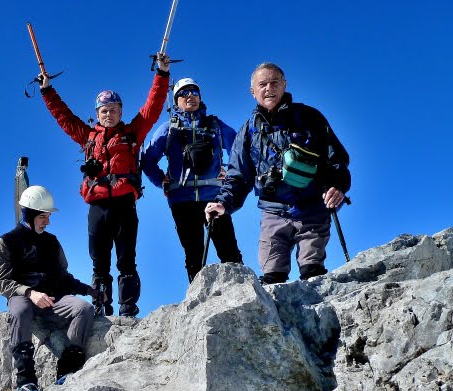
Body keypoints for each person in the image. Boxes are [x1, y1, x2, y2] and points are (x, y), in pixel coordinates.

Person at [38, 52, 171, 317]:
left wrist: (162, 74)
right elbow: (63, 117)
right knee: (99, 262)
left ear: (121, 111)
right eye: (103, 111)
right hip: (97, 205)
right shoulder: (86, 136)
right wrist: (47, 91)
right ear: (97, 114)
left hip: (124, 204)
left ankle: (128, 308)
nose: (108, 114)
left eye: (113, 110)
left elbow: (153, 106)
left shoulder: (132, 132)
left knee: (126, 259)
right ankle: (101, 306)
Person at [205, 62, 351, 284]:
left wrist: (337, 186)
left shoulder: (310, 117)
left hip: (312, 208)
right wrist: (222, 203)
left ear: (284, 85)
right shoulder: (248, 131)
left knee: (313, 273)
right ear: (253, 92)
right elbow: (238, 176)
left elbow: (337, 158)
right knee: (272, 278)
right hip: (273, 212)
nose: (269, 88)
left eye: (274, 82)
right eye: (262, 84)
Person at [0, 185, 97, 391]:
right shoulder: (6, 242)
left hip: (53, 298)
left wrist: (89, 290)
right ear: (29, 215)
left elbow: (64, 277)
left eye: (49, 216)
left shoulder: (52, 242)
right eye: (43, 217)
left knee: (84, 309)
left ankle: (68, 370)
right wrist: (30, 293)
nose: (48, 222)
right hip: (23, 296)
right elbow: (2, 282)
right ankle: (26, 381)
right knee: (20, 312)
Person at [141, 77, 243, 282]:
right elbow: (148, 159)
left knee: (228, 249)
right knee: (193, 253)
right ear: (176, 100)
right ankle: (198, 302)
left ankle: (242, 292)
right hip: (182, 200)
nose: (190, 97)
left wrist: (231, 173)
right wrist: (161, 180)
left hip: (214, 197)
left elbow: (239, 151)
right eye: (184, 93)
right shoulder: (168, 128)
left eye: (194, 92)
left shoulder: (215, 125)